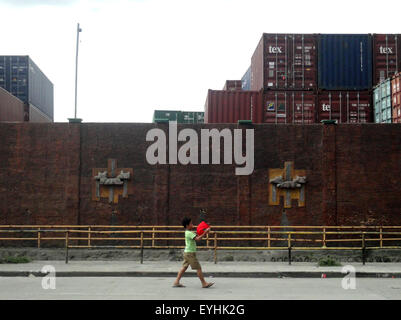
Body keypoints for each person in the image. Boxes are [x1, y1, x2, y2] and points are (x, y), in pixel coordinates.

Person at [173, 217, 214, 288]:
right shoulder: (189, 233)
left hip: (187, 253)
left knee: (184, 267)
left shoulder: (188, 232)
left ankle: (176, 282)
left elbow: (198, 234)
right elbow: (198, 238)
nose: (193, 224)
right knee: (198, 268)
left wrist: (204, 227)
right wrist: (205, 232)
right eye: (191, 223)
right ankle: (204, 283)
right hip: (190, 254)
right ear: (187, 225)